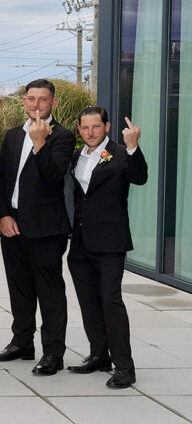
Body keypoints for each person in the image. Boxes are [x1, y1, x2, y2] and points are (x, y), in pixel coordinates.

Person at [0, 79, 76, 375]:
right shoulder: (13, 135)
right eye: (31, 99)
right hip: (12, 225)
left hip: (45, 229)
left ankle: (53, 353)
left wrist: (41, 143)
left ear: (53, 103)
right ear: (24, 102)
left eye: (43, 100)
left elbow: (54, 177)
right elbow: (1, 178)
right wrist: (3, 215)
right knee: (20, 289)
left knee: (50, 292)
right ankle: (22, 343)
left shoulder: (63, 137)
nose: (37, 105)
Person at [66, 108, 148, 388]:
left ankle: (124, 366)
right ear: (79, 130)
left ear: (107, 126)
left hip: (110, 242)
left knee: (110, 301)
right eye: (85, 128)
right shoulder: (76, 156)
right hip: (80, 244)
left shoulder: (122, 153)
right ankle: (99, 355)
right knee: (89, 302)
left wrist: (133, 146)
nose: (90, 132)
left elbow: (139, 177)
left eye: (96, 127)